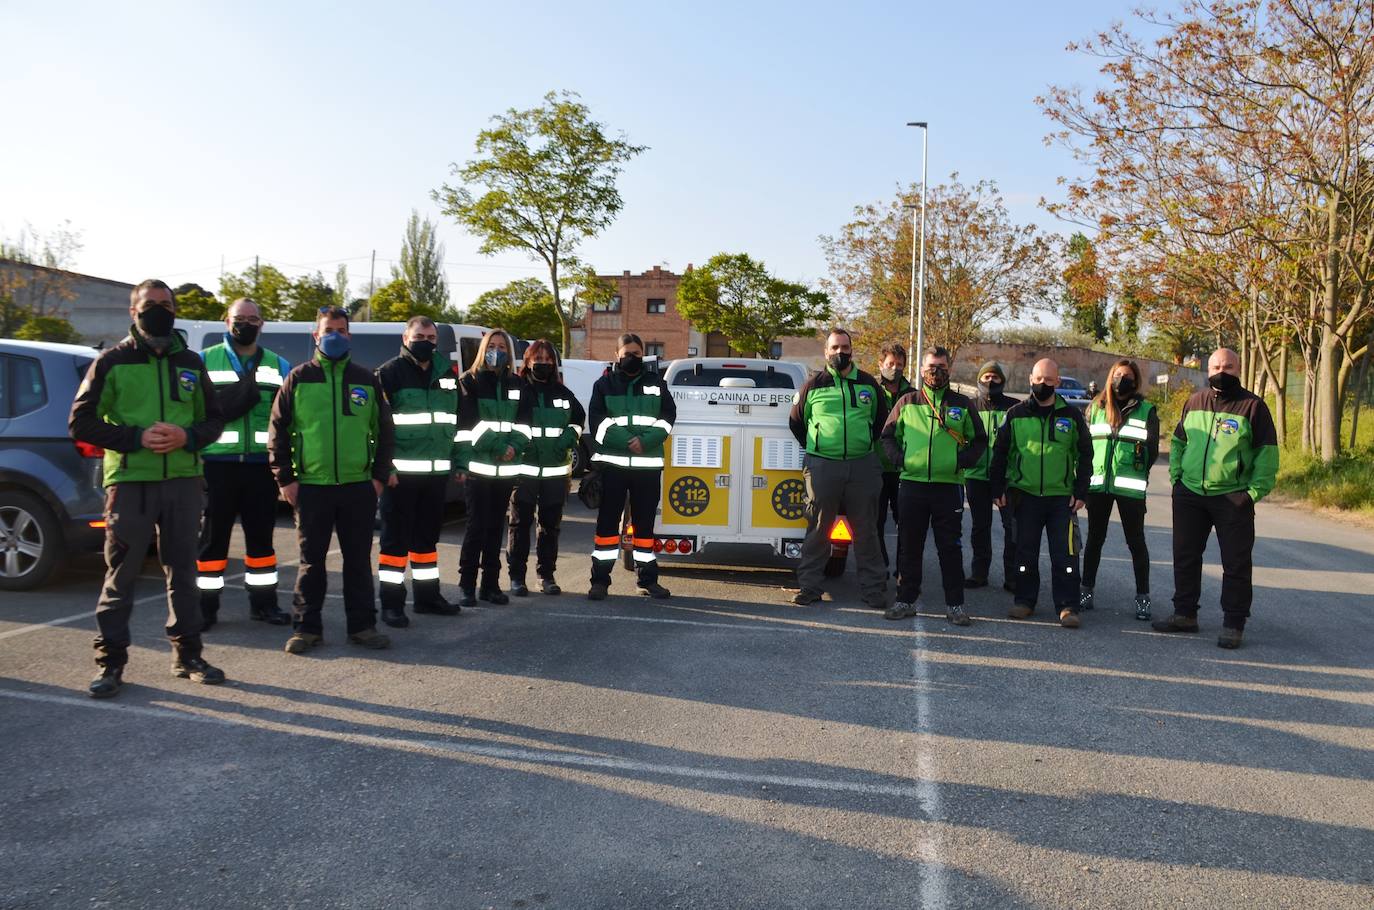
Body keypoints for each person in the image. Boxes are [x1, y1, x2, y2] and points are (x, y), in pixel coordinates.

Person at [69, 279, 227, 697]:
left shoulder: (192, 362)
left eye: (165, 304)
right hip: (130, 483)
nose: (158, 310)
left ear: (174, 311)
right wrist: (135, 437)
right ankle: (110, 664)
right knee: (121, 576)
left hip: (183, 482)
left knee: (184, 573)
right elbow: (80, 422)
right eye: (150, 304)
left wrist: (186, 437)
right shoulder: (110, 362)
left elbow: (213, 420)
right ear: (133, 311)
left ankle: (188, 655)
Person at [269, 307, 395, 654]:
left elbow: (384, 432)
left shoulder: (367, 379)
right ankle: (306, 629)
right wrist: (286, 480)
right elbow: (278, 432)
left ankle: (363, 628)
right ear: (316, 335)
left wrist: (378, 478)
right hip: (312, 486)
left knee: (357, 561)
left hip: (359, 487)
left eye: (341, 329)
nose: (335, 335)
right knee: (312, 561)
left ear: (350, 335)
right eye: (329, 330)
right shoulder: (298, 378)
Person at [1153, 348, 1278, 649]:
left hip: (1231, 498)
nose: (1222, 370)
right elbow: (1179, 442)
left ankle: (1234, 623)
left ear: (1239, 369)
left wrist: (1251, 495)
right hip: (1190, 494)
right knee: (1185, 557)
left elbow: (1267, 457)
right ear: (1207, 370)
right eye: (1216, 366)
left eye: (1228, 366)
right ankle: (1185, 614)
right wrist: (1177, 479)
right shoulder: (1194, 401)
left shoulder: (1254, 407)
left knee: (1235, 563)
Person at [196, 297, 290, 630]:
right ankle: (204, 609)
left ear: (262, 323)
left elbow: (288, 419)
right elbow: (192, 414)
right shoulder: (204, 361)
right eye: (240, 318)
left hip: (260, 467)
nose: (246, 323)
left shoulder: (279, 365)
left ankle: (264, 605)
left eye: (253, 318)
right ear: (227, 321)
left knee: (262, 541)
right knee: (212, 540)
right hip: (215, 466)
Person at [880, 346, 986, 625]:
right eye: (930, 367)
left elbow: (979, 441)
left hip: (948, 487)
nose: (935, 372)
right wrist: (902, 461)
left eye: (941, 366)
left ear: (949, 369)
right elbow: (887, 437)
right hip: (912, 485)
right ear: (921, 369)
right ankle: (905, 599)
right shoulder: (907, 401)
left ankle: (955, 605)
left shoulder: (962, 404)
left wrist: (958, 461)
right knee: (910, 547)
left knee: (950, 548)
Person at [787, 327, 890, 610]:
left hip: (862, 466)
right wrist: (819, 446)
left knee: (866, 530)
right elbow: (797, 423)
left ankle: (874, 591)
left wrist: (860, 447)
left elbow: (882, 422)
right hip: (822, 466)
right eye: (835, 348)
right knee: (818, 528)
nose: (840, 353)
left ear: (851, 350)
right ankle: (809, 587)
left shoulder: (869, 385)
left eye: (845, 347)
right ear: (826, 352)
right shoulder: (813, 385)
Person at [990, 358, 1093, 629]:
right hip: (1025, 496)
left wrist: (1081, 490)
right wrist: (997, 487)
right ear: (1030, 379)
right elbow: (1000, 453)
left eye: (1049, 380)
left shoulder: (1071, 416)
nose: (1043, 384)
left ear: (1058, 382)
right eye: (1039, 379)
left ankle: (1068, 606)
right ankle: (1024, 601)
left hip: (1062, 498)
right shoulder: (1015, 414)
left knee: (1066, 556)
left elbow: (1085, 454)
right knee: (1025, 553)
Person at [374, 316, 461, 627]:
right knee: (395, 543)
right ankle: (392, 604)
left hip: (436, 476)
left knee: (426, 541)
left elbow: (458, 424)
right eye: (419, 335)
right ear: (405, 336)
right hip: (400, 477)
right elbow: (376, 428)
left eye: (430, 337)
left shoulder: (447, 375)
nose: (425, 341)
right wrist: (385, 469)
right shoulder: (388, 374)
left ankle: (427, 598)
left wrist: (459, 463)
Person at [587, 333, 676, 600]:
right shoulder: (603, 385)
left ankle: (647, 580)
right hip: (613, 468)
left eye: (636, 354)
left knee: (645, 529)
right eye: (626, 353)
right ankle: (599, 581)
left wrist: (646, 441)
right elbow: (598, 423)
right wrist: (627, 441)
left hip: (646, 468)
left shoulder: (656, 384)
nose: (631, 358)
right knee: (606, 527)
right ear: (617, 356)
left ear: (643, 355)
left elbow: (668, 418)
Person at [454, 328, 531, 607]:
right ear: (483, 349)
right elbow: (469, 424)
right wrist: (501, 447)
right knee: (476, 527)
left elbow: (525, 423)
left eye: (501, 347)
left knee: (495, 529)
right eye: (492, 345)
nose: (496, 351)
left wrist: (515, 445)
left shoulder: (517, 384)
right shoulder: (469, 382)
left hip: (506, 471)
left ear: (509, 354)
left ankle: (490, 586)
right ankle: (466, 586)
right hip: (479, 469)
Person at [1079, 359, 1160, 621]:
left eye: (1126, 376)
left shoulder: (1146, 410)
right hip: (1098, 485)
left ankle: (1143, 598)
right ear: (1109, 377)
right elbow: (1083, 448)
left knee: (1136, 543)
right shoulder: (1095, 408)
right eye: (1117, 374)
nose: (1121, 380)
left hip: (1130, 487)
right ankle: (1086, 591)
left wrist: (1137, 473)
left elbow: (1152, 451)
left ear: (1135, 381)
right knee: (1094, 540)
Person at [508, 340, 586, 596]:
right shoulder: (518, 391)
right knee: (519, 526)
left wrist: (566, 440)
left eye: (548, 358)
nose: (542, 362)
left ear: (554, 363)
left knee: (550, 527)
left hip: (555, 472)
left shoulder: (563, 394)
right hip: (524, 471)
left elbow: (577, 420)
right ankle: (516, 577)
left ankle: (546, 576)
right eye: (537, 358)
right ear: (528, 362)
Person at [963, 361, 1018, 592]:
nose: (990, 381)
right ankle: (979, 572)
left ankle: (1013, 576)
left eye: (995, 377)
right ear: (979, 379)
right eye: (986, 377)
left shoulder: (1015, 408)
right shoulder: (969, 406)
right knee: (980, 526)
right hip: (976, 475)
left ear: (1003, 381)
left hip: (1006, 477)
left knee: (1011, 527)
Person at [875, 342, 912, 575]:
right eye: (890, 364)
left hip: (903, 470)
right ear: (881, 364)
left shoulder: (914, 395)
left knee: (906, 524)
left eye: (899, 364)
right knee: (875, 523)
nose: (895, 368)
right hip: (876, 469)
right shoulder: (871, 391)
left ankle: (903, 569)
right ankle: (881, 565)